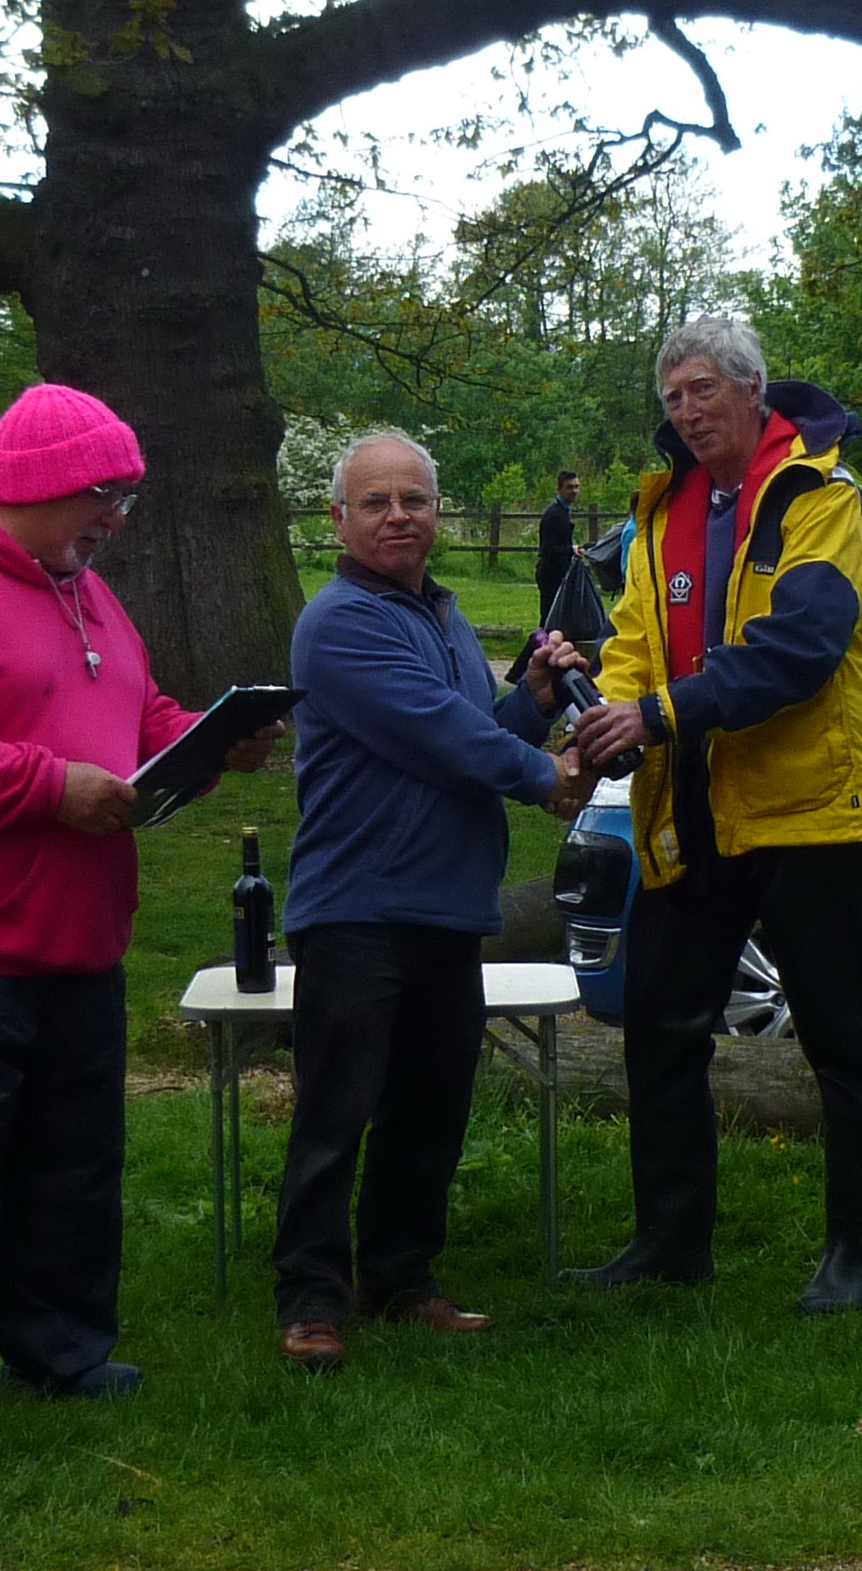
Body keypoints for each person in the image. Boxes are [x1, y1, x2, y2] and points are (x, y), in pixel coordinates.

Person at [0, 382, 280, 1420]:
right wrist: (50, 788)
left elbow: (137, 715)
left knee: (71, 1162)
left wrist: (211, 741)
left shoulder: (88, 592)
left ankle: (62, 1352)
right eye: (104, 496)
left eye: (124, 498)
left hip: (76, 935)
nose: (117, 520)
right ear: (38, 487)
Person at [568, 318, 862, 1315]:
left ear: (754, 391)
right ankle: (672, 1242)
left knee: (844, 1040)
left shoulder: (821, 496)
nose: (686, 411)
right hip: (694, 804)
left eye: (703, 389)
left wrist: (657, 714)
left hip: (816, 810)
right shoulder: (662, 509)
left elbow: (801, 648)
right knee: (660, 1023)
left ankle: (853, 1255)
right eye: (672, 396)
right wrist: (609, 715)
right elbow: (634, 645)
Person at [273, 430, 590, 1372]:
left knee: (429, 1111)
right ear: (339, 518)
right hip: (357, 907)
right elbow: (441, 735)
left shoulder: (444, 614)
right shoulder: (339, 623)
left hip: (447, 905)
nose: (398, 516)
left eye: (414, 499)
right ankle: (310, 1299)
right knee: (335, 1114)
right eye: (376, 502)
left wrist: (535, 699)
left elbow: (477, 729)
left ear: (438, 511)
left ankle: (401, 1279)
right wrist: (546, 774)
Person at [536, 469, 583, 624]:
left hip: (559, 571)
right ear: (559, 489)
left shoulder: (563, 511)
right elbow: (548, 549)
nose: (574, 491)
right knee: (549, 617)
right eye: (569, 487)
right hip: (551, 573)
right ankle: (542, 639)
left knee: (559, 617)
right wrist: (571, 550)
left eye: (576, 487)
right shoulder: (554, 514)